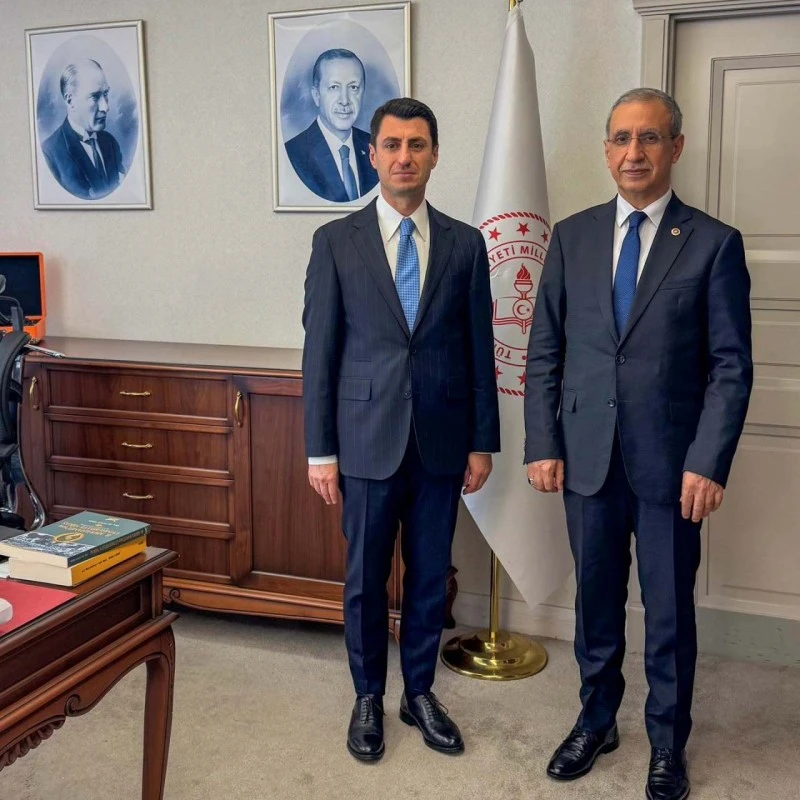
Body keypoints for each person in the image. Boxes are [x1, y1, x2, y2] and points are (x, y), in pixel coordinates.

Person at [524, 87, 752, 800]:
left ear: (675, 147)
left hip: (671, 468)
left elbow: (731, 366)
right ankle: (596, 721)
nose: (633, 153)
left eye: (649, 138)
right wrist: (542, 441)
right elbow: (545, 350)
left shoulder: (713, 243)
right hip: (586, 458)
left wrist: (708, 461)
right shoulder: (573, 236)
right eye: (621, 138)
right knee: (595, 604)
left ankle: (667, 742)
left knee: (668, 613)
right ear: (606, 149)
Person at [302, 97, 499, 762]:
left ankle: (419, 692)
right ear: (373, 155)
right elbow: (320, 352)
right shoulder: (336, 242)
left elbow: (479, 351)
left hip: (442, 441)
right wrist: (320, 450)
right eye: (392, 145)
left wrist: (482, 440)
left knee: (429, 576)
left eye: (417, 145)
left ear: (435, 154)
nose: (404, 157)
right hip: (364, 439)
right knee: (364, 580)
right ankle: (368, 696)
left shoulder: (466, 244)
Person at [285, 49, 379, 202]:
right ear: (316, 95)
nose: (344, 100)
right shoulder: (293, 154)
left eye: (353, 87)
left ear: (363, 93)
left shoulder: (377, 147)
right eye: (334, 87)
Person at [41, 59, 125, 200]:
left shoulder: (110, 142)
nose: (105, 107)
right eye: (95, 97)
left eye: (105, 94)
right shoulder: (49, 154)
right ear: (70, 101)